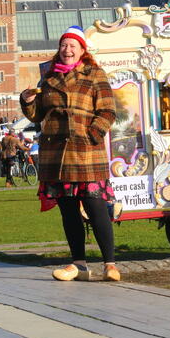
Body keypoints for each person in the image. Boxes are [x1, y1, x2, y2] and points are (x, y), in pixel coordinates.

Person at [20, 25, 119, 282]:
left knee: (96, 207)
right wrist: (28, 101)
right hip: (57, 156)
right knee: (69, 212)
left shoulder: (95, 74)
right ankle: (78, 264)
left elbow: (108, 111)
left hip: (86, 152)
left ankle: (110, 263)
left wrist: (91, 135)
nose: (67, 50)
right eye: (64, 45)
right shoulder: (48, 78)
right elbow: (38, 116)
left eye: (73, 46)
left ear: (82, 50)